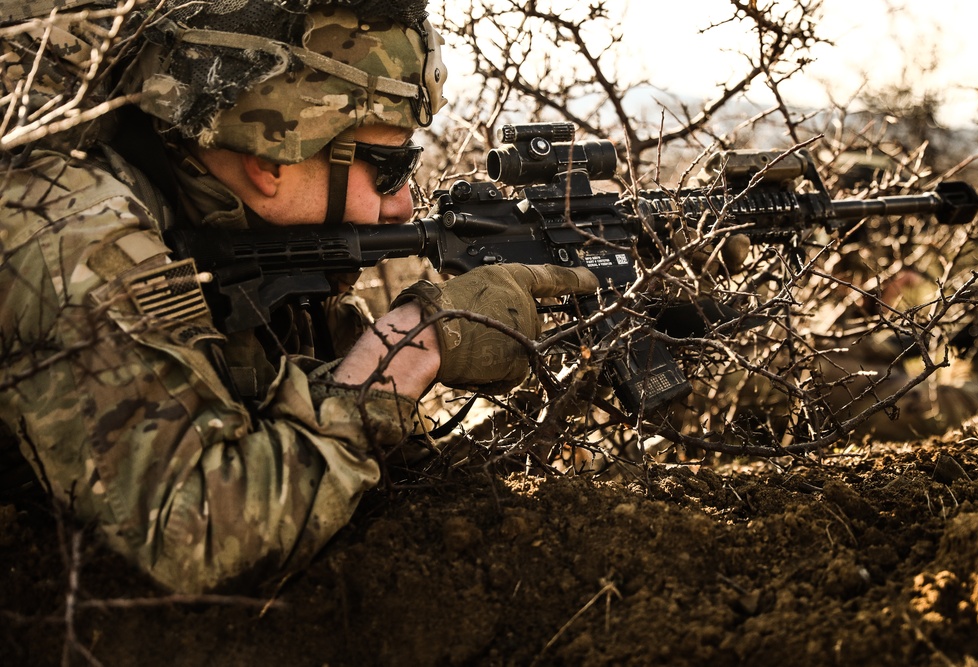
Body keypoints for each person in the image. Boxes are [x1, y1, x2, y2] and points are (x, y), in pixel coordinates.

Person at [0, 0, 597, 593]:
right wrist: (413, 347)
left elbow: (316, 416)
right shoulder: (68, 229)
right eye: (389, 169)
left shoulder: (235, 225)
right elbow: (201, 533)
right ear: (269, 157)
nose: (405, 204)